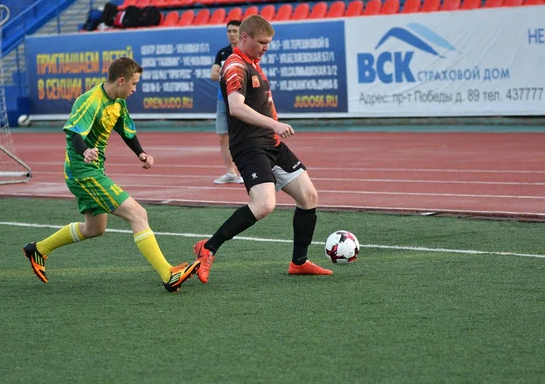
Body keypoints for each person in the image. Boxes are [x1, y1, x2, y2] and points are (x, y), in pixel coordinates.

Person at [23, 57, 200, 293]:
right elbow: (74, 133)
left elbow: (125, 130)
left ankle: (38, 249)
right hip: (82, 171)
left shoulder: (118, 101)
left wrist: (141, 153)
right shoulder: (89, 101)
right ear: (121, 80)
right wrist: (85, 150)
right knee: (138, 214)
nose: (135, 90)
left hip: (93, 169)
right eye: (134, 84)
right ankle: (168, 274)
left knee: (95, 229)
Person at [193, 15, 332, 283]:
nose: (266, 48)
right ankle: (207, 247)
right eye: (262, 42)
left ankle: (299, 262)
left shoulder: (252, 62)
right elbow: (236, 107)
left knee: (308, 197)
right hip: (250, 145)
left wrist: (273, 129)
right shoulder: (235, 66)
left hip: (271, 143)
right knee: (264, 204)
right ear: (245, 38)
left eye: (268, 43)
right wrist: (275, 124)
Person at [211, 20, 244, 185]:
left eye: (235, 31)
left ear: (242, 33)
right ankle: (231, 172)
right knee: (223, 136)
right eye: (229, 31)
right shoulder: (222, 53)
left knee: (243, 135)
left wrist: (224, 75)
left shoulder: (246, 52)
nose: (232, 34)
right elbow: (213, 74)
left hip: (242, 99)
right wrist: (230, 75)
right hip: (222, 99)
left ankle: (246, 170)